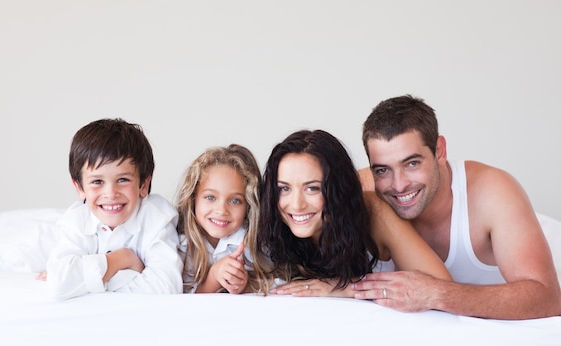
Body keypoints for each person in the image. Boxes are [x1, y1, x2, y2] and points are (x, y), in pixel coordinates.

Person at [354, 94, 560, 319]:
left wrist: (435, 294)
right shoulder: (364, 188)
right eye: (382, 170)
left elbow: (549, 299)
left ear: (440, 151)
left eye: (412, 163)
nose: (399, 185)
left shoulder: (492, 192)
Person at [252, 129, 451, 299]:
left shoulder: (375, 213)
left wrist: (348, 287)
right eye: (284, 189)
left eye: (312, 188)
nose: (296, 205)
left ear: (337, 190)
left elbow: (442, 287)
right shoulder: (273, 222)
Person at [45, 118, 183, 300]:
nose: (110, 193)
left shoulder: (157, 217)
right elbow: (59, 284)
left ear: (143, 184)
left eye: (123, 180)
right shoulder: (76, 219)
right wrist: (122, 259)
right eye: (97, 182)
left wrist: (88, 280)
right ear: (79, 188)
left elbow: (166, 286)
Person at [175, 144, 263, 294]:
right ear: (193, 198)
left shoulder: (253, 244)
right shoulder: (181, 245)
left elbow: (281, 285)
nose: (222, 210)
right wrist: (213, 278)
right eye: (210, 197)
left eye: (235, 201)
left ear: (248, 206)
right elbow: (181, 304)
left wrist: (246, 285)